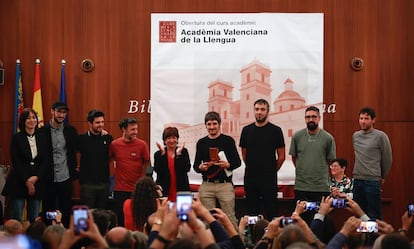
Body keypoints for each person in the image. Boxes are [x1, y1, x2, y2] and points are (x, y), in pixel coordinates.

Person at [193, 111, 241, 228]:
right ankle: (210, 244)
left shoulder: (228, 141)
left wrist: (228, 165)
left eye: (214, 124)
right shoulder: (201, 143)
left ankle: (236, 244)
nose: (212, 127)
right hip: (207, 185)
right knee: (207, 218)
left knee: (229, 217)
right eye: (209, 124)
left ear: (219, 124)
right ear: (205, 126)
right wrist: (200, 168)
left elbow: (237, 162)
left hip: (225, 185)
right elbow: (195, 166)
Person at [239, 99, 285, 219]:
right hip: (251, 178)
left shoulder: (276, 131)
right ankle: (254, 237)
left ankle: (271, 237)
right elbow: (244, 154)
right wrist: (253, 166)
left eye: (262, 109)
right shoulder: (246, 130)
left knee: (271, 213)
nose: (259, 112)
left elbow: (281, 156)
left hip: (269, 179)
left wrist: (271, 170)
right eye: (257, 109)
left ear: (268, 112)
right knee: (252, 214)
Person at [2, 108, 48, 223]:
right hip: (19, 181)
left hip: (37, 181)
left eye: (34, 117)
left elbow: (45, 160)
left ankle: (32, 240)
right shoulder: (16, 138)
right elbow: (16, 161)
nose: (32, 120)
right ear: (23, 121)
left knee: (33, 218)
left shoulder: (43, 137)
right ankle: (16, 240)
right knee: (16, 217)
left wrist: (35, 178)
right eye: (28, 118)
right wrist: (27, 181)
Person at [38, 101, 79, 227]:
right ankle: (51, 230)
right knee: (49, 209)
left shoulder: (71, 131)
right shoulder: (42, 131)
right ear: (52, 111)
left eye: (64, 112)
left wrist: (102, 133)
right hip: (48, 178)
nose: (61, 115)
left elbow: (79, 146)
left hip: (65, 176)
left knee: (65, 208)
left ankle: (64, 231)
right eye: (59, 112)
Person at [289, 106, 336, 204]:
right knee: (301, 217)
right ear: (305, 119)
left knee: (320, 217)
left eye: (314, 117)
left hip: (321, 187)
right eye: (308, 117)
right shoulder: (297, 136)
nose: (311, 119)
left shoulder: (328, 138)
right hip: (301, 187)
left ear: (319, 118)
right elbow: (294, 158)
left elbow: (329, 160)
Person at [352, 107, 392, 220]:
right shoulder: (355, 136)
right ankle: (362, 238)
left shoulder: (380, 136)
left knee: (374, 216)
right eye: (361, 118)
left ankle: (374, 238)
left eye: (366, 118)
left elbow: (387, 158)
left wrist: (383, 176)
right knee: (359, 215)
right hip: (357, 180)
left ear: (373, 120)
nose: (363, 121)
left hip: (372, 181)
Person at [109, 117, 151, 226]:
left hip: (137, 190)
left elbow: (148, 164)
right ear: (124, 129)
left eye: (136, 129)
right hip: (120, 189)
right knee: (121, 219)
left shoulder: (142, 145)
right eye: (132, 129)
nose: (135, 132)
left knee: (139, 219)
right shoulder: (114, 145)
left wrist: (146, 182)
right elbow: (108, 160)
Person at [78, 109, 113, 209]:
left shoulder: (108, 138)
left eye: (102, 122)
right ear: (90, 123)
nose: (101, 125)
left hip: (104, 184)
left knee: (102, 215)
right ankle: (82, 226)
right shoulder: (82, 139)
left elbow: (111, 157)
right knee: (85, 214)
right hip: (87, 185)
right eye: (97, 122)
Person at [154, 127, 191, 201]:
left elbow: (187, 168)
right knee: (166, 212)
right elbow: (158, 170)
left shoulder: (183, 152)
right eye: (168, 138)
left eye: (174, 138)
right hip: (165, 190)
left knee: (182, 212)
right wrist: (162, 155)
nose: (171, 140)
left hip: (181, 190)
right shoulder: (158, 154)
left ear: (177, 139)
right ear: (164, 140)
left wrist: (178, 155)